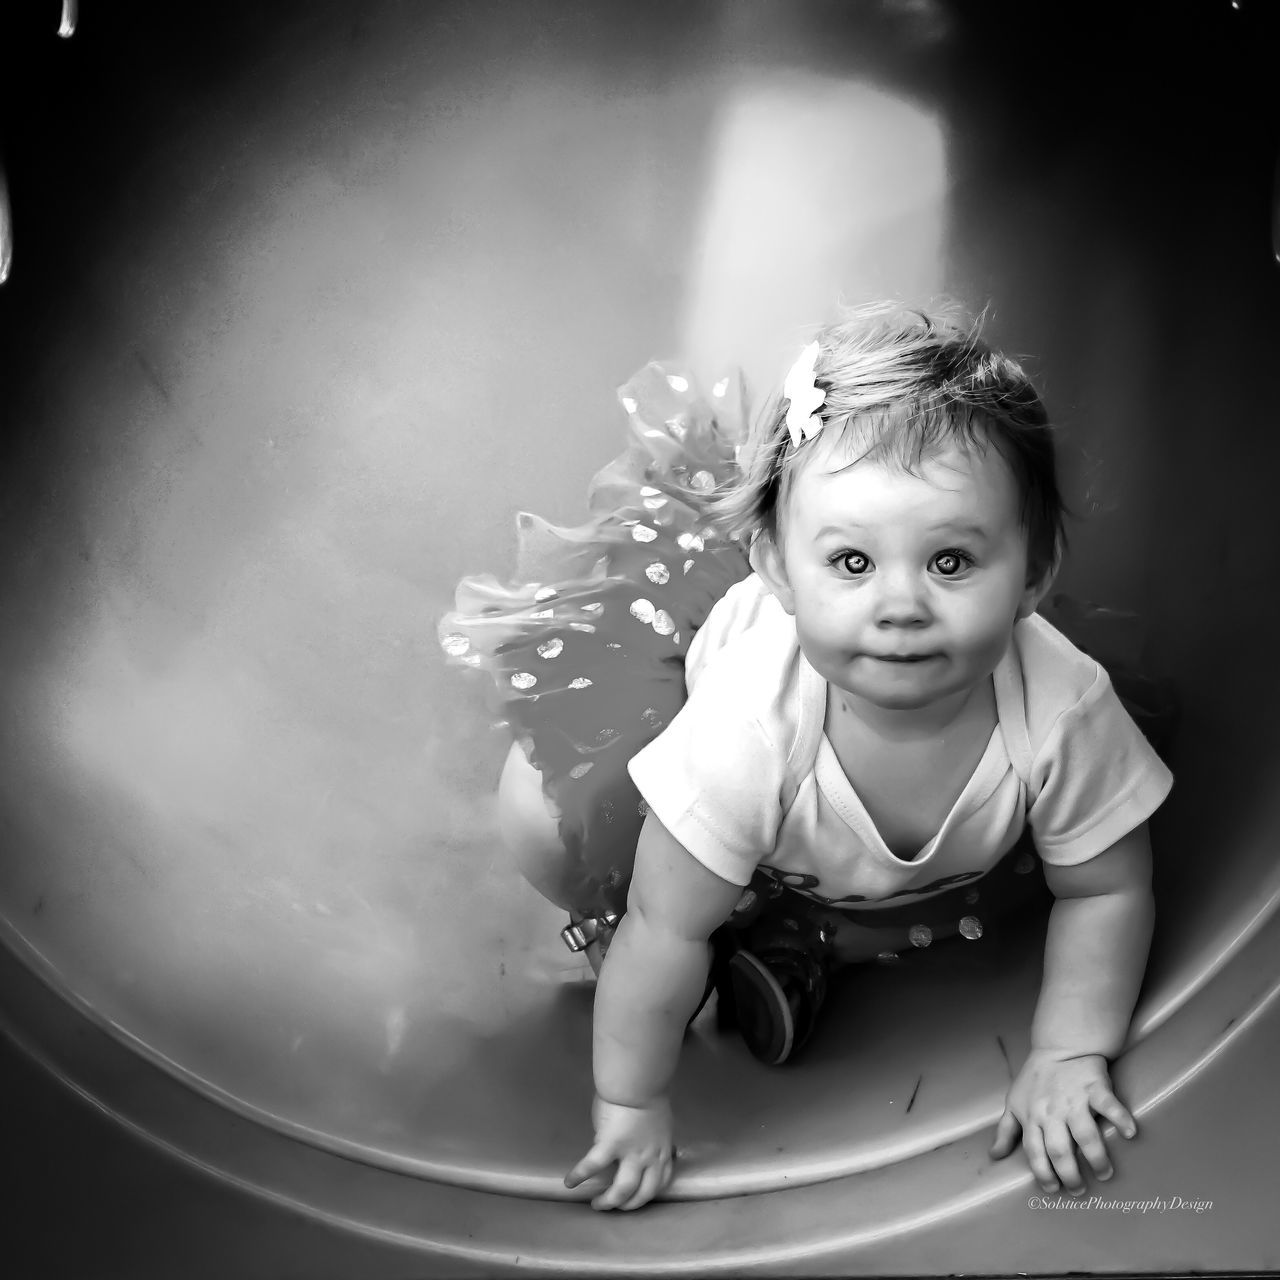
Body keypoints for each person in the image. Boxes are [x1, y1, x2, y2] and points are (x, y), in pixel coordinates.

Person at [439, 302, 1173, 1214]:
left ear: (1033, 575)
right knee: (570, 840)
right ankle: (747, 930)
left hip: (853, 867)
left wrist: (1068, 1052)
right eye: (853, 564)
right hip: (726, 811)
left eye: (950, 562)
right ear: (780, 574)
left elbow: (1105, 889)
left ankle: (789, 949)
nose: (901, 605)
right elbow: (665, 929)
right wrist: (631, 1102)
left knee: (797, 893)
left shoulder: (1062, 707)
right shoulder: (749, 723)